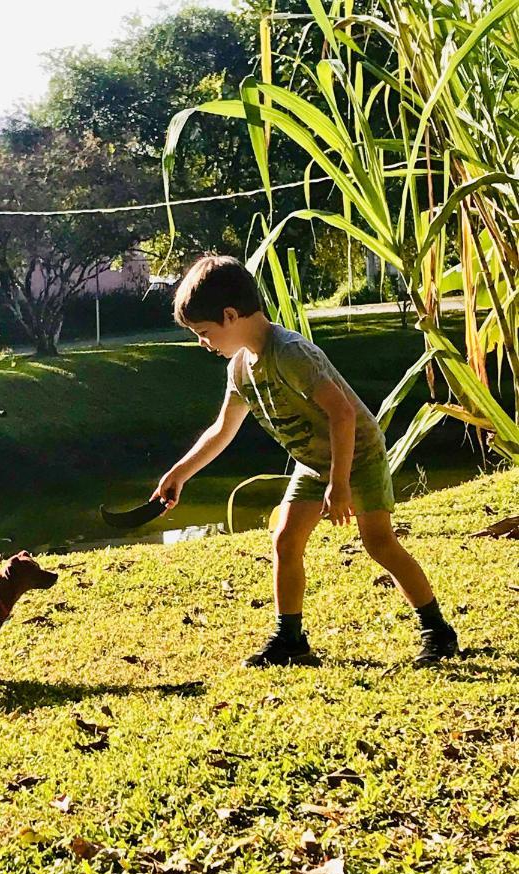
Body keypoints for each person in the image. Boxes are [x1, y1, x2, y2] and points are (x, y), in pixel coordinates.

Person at [152, 255, 458, 666]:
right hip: (314, 464)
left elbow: (343, 414)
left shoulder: (290, 353)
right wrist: (179, 473)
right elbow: (223, 429)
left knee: (379, 543)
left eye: (204, 333)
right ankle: (290, 640)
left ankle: (438, 632)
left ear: (230, 315)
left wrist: (341, 483)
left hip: (357, 455)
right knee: (286, 540)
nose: (203, 343)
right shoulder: (241, 368)